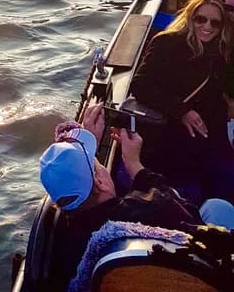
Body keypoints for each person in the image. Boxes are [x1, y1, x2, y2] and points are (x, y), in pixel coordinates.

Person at [39, 103, 234, 291]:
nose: (99, 164)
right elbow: (189, 215)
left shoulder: (61, 238)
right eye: (97, 163)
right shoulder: (150, 208)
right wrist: (134, 163)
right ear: (99, 183)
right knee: (217, 208)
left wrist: (85, 144)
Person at [130, 0, 234, 204]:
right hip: (173, 136)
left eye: (215, 23)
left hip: (213, 138)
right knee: (186, 197)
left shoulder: (222, 50)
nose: (207, 27)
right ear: (190, 16)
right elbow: (140, 85)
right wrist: (182, 110)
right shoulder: (166, 43)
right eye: (201, 19)